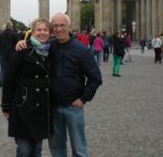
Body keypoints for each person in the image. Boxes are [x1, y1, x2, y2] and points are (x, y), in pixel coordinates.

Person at [17, 13, 102, 157]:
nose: (59, 29)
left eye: (62, 25)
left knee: (79, 149)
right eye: (55, 26)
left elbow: (96, 78)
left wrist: (83, 99)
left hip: (73, 107)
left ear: (69, 27)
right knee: (56, 149)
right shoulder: (49, 46)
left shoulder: (82, 50)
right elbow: (33, 46)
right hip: (53, 106)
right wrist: (21, 43)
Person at [1, 18, 52, 157]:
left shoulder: (52, 51)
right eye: (39, 30)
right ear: (32, 32)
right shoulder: (21, 50)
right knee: (24, 151)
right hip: (23, 106)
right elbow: (9, 80)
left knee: (37, 151)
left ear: (49, 32)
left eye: (45, 30)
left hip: (42, 106)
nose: (42, 32)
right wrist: (6, 106)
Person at [0, 22, 19, 87]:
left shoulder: (0, 34)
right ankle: (11, 82)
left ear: (5, 27)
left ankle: (1, 82)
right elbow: (17, 44)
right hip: (12, 53)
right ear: (11, 27)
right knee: (12, 69)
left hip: (2, 53)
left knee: (3, 69)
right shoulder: (15, 34)